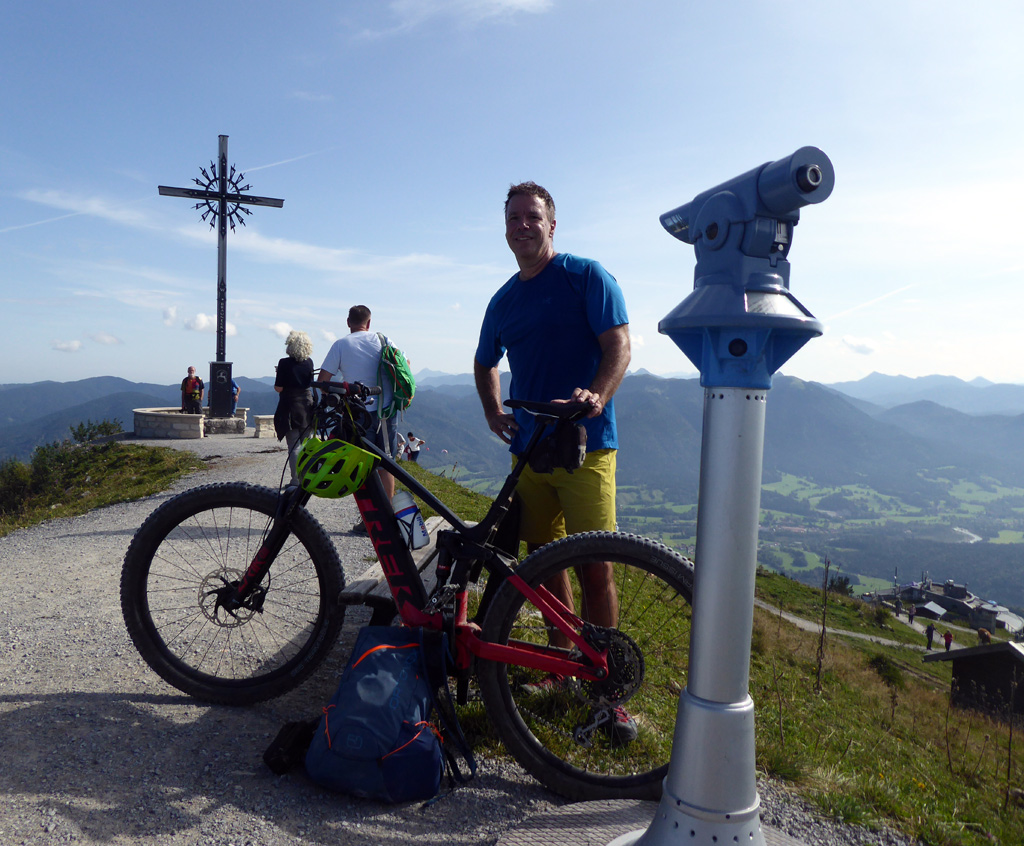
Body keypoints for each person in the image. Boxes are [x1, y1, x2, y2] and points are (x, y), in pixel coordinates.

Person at [473, 181, 632, 742]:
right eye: (513, 218)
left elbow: (619, 345)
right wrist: (493, 411)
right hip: (531, 449)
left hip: (587, 445)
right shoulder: (503, 300)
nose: (522, 226)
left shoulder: (586, 276)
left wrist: (597, 395)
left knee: (596, 565)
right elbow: (485, 361)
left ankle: (608, 684)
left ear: (552, 224)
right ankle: (562, 662)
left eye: (532, 217)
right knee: (543, 563)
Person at [318, 305, 401, 501]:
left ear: (348, 322)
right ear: (369, 323)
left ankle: (369, 514)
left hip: (357, 413)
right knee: (387, 464)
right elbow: (404, 365)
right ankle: (388, 510)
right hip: (386, 411)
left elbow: (323, 382)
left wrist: (343, 392)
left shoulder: (340, 345)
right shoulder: (384, 340)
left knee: (361, 463)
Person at [274, 331, 315, 486]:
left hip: (290, 406)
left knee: (294, 446)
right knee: (307, 445)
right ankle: (308, 478)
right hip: (307, 405)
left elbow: (278, 388)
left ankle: (296, 481)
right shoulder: (309, 362)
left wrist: (279, 374)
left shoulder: (284, 363)